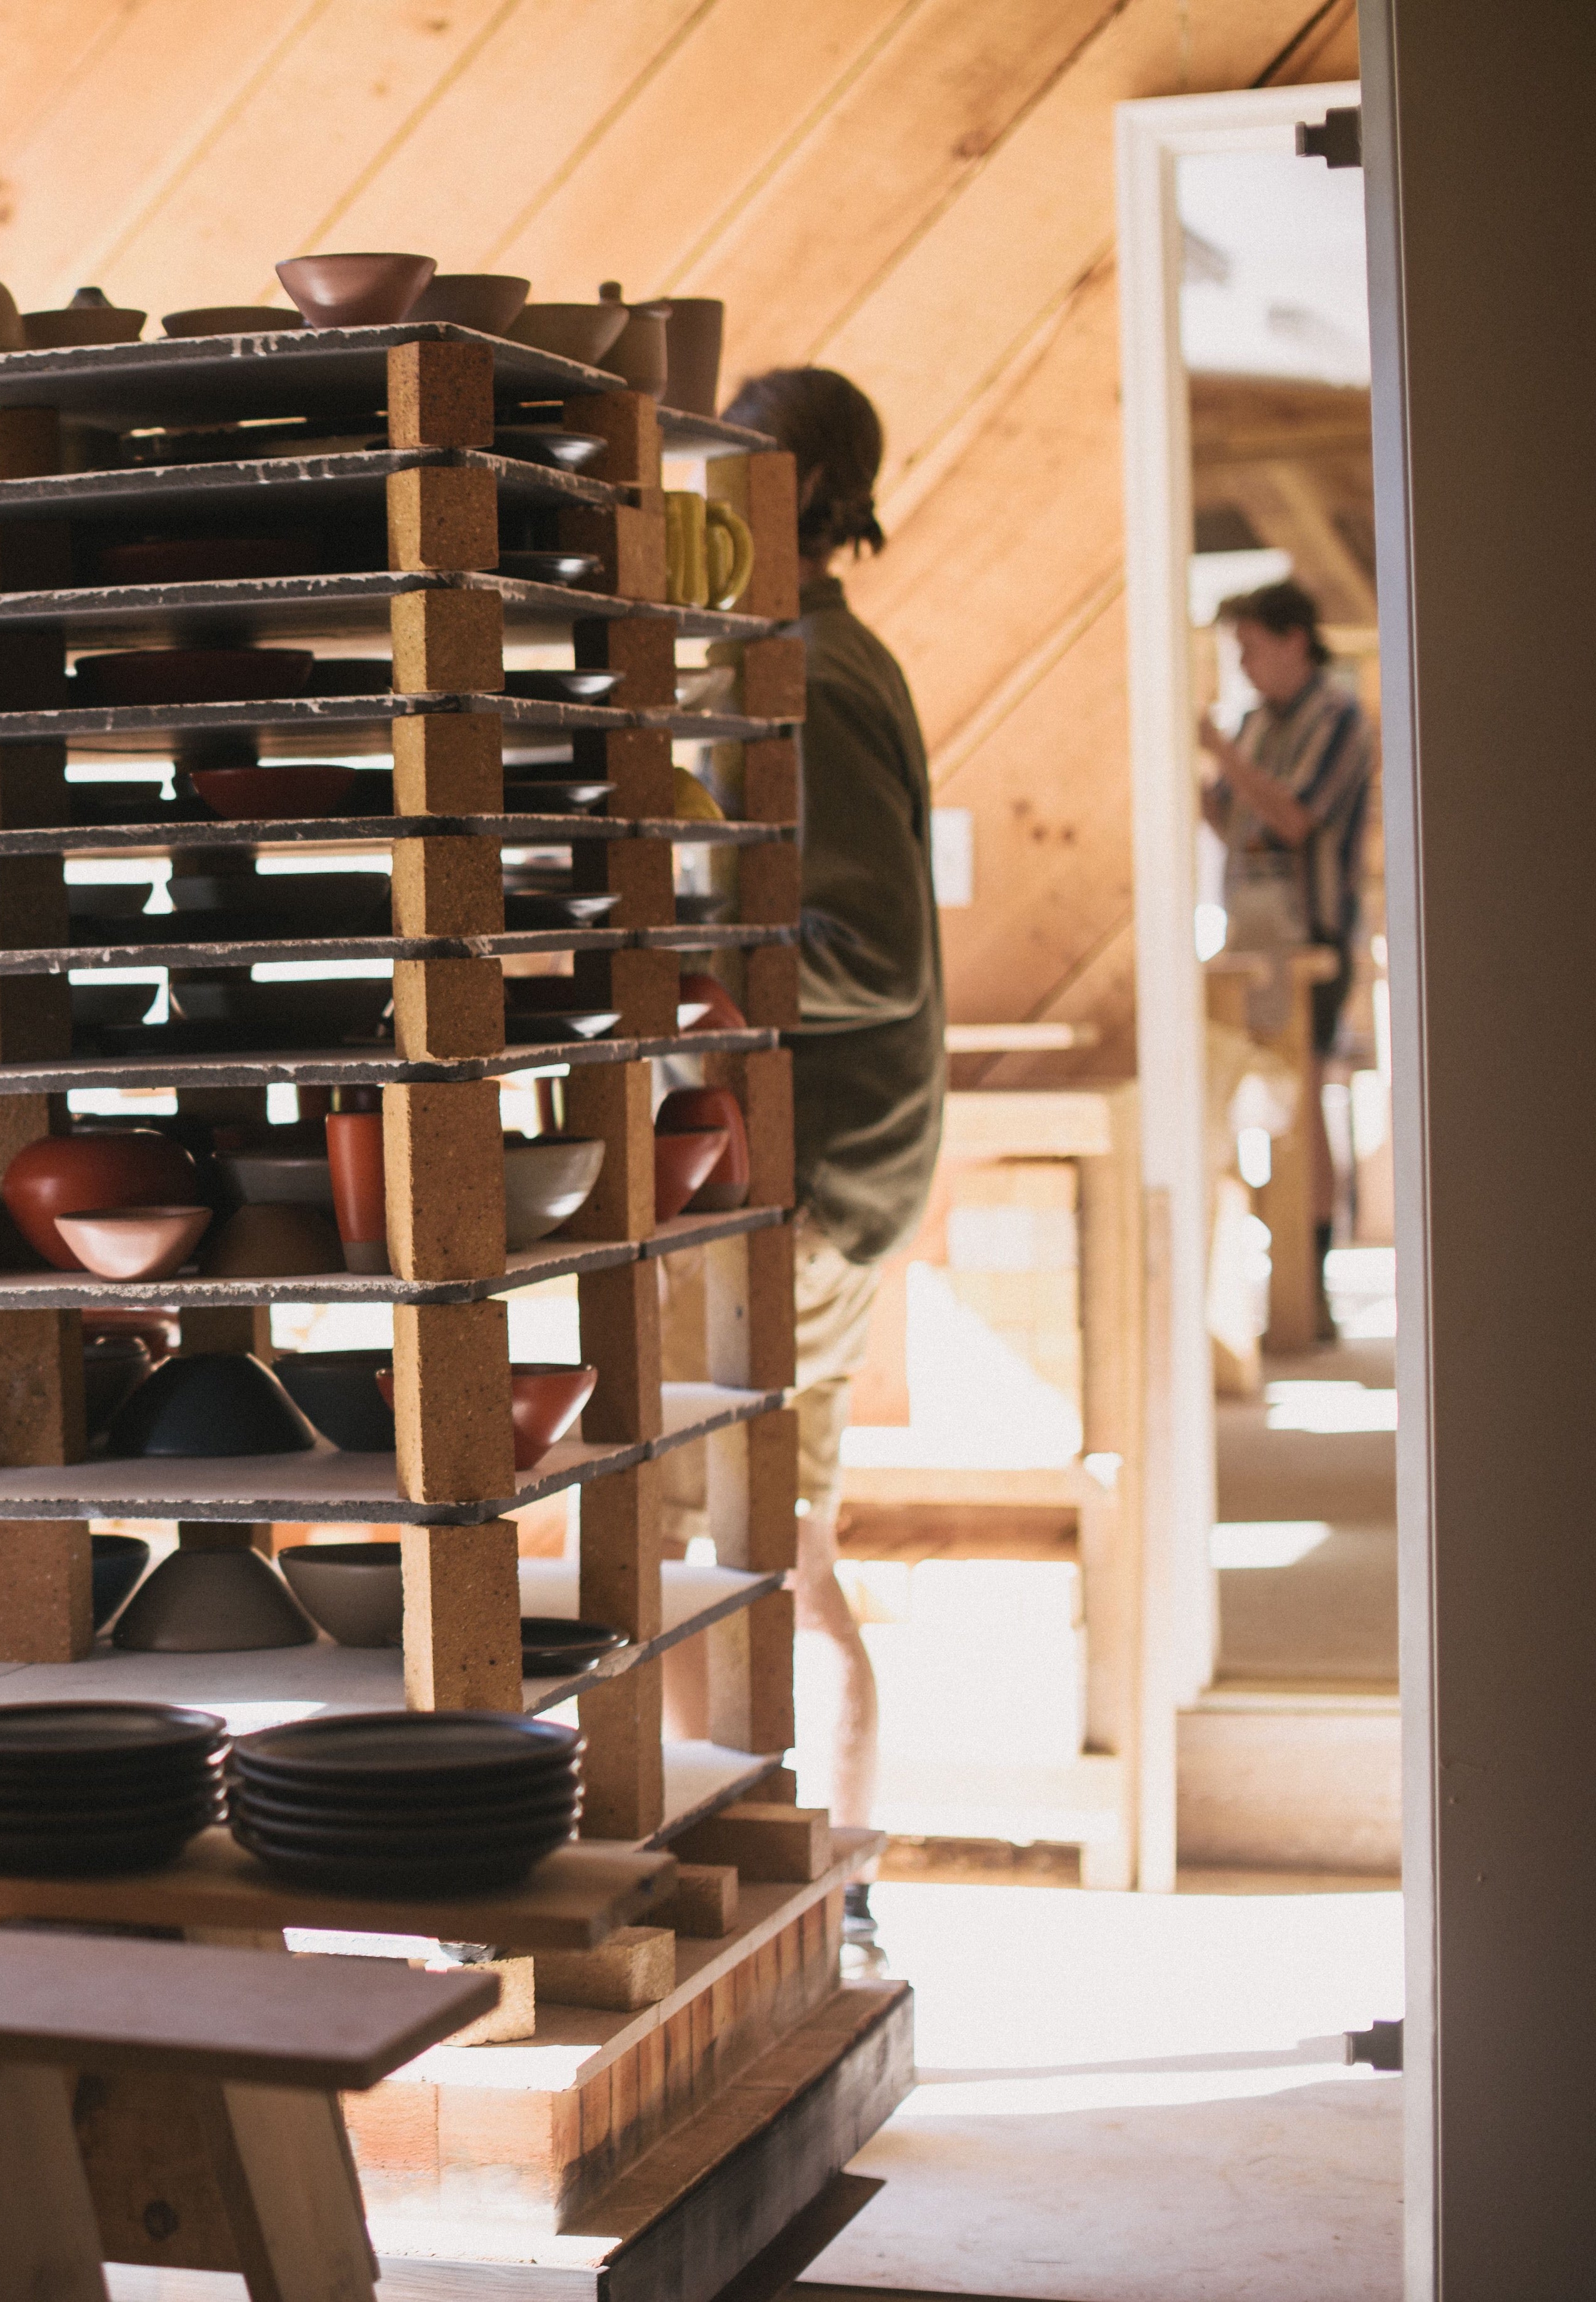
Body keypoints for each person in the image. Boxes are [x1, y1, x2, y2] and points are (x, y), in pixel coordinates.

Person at [716, 366, 947, 1937]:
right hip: (828, 1166)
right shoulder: (812, 652)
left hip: (809, 1179)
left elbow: (867, 948)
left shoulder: (799, 667)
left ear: (795, 487)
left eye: (737, 455)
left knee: (763, 1551)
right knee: (762, 1536)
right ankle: (829, 1901)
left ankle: (840, 1903)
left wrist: (699, 968)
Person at [1197, 578, 1374, 1338]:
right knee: (1263, 1100)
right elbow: (1232, 817)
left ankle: (1314, 1285)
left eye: (1252, 648)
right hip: (1252, 933)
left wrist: (1222, 754)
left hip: (1311, 935)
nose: (1244, 667)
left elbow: (1293, 817)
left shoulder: (1337, 714)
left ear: (1294, 639)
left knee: (1304, 1099)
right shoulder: (1255, 724)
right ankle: (1278, 1281)